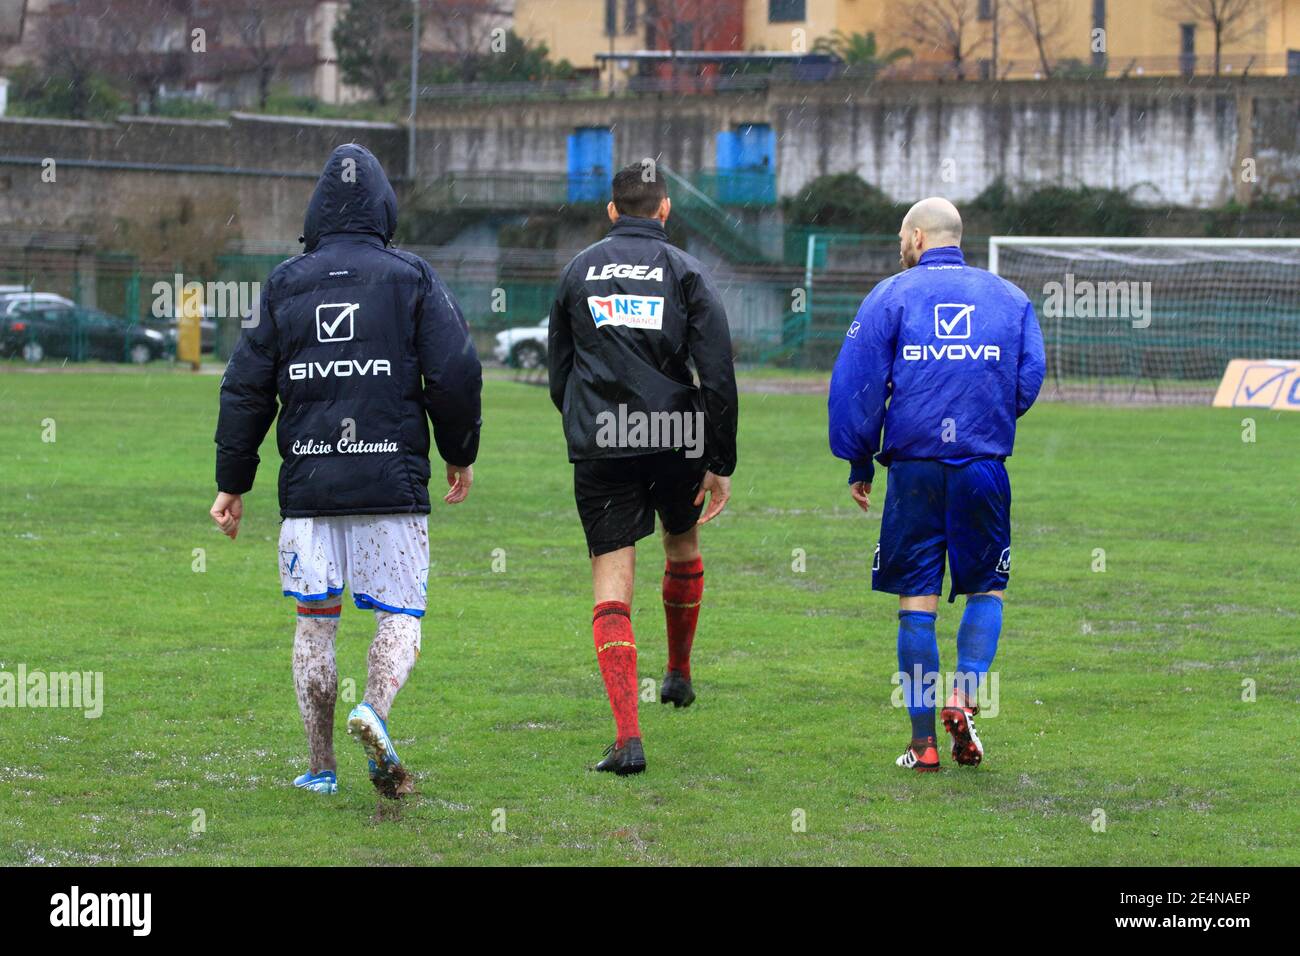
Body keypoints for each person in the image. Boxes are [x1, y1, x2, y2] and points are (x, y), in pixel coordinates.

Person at [210, 144, 482, 797]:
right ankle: (375, 711)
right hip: (390, 481)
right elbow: (456, 371)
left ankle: (320, 767)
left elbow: (245, 387)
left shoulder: (285, 282)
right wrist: (459, 451)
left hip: (310, 487)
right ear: (384, 207)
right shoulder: (412, 277)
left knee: (315, 622)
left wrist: (232, 481)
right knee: (399, 616)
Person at [828, 197, 1045, 773]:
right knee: (987, 588)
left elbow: (856, 382)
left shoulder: (890, 295)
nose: (899, 245)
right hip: (981, 465)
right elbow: (1028, 379)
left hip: (914, 470)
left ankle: (923, 744)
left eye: (903, 235)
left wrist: (858, 459)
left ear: (920, 237)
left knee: (915, 602)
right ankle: (965, 693)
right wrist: (984, 418)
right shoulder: (1010, 298)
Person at [547, 161, 739, 775]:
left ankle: (629, 738)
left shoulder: (578, 269)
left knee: (612, 579)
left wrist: (587, 421)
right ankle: (678, 673)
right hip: (675, 437)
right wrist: (719, 458)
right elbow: (718, 374)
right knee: (681, 546)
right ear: (663, 211)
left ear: (611, 211)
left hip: (603, 438)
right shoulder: (686, 271)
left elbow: (560, 369)